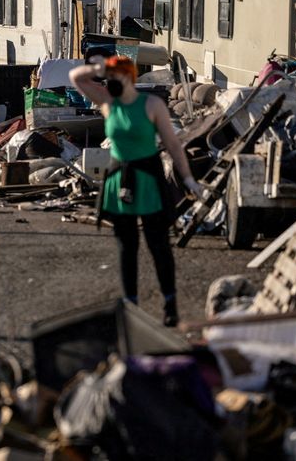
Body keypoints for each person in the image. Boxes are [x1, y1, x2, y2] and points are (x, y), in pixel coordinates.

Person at [69, 55, 203, 326]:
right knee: (126, 247)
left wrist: (188, 178)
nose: (110, 81)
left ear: (129, 77)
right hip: (119, 179)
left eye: (116, 76)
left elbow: (174, 145)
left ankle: (170, 303)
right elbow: (76, 77)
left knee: (158, 245)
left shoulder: (152, 104)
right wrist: (101, 67)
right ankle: (130, 306)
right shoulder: (107, 102)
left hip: (148, 178)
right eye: (109, 77)